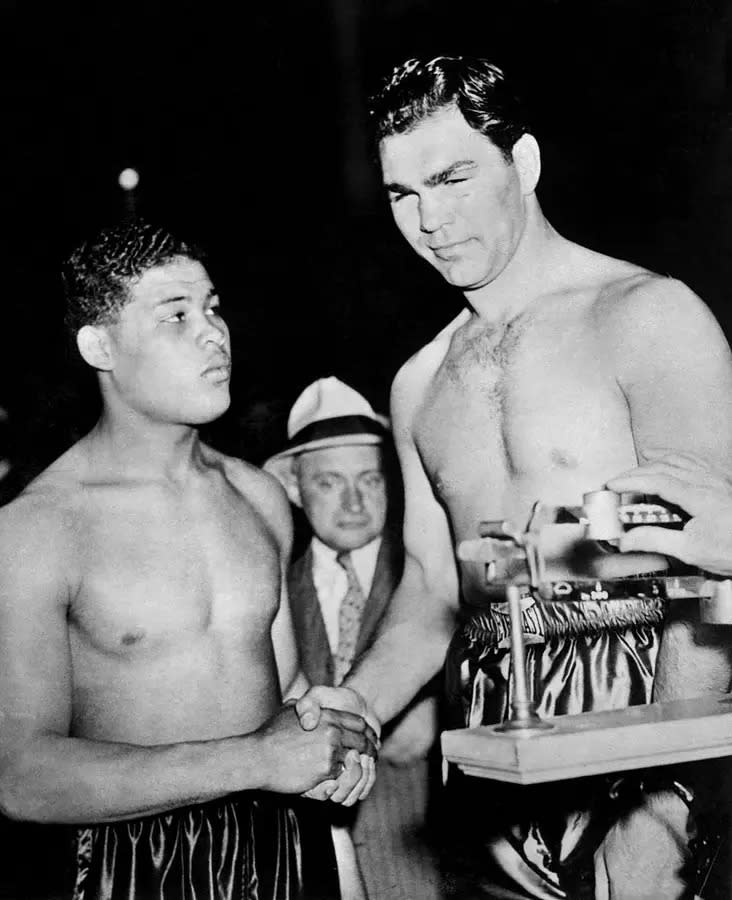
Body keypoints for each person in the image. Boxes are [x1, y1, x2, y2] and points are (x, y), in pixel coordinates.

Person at [295, 56, 732, 898]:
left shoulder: (646, 315)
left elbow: (714, 569)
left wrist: (663, 798)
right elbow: (432, 587)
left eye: (454, 177)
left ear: (523, 164)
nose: (431, 219)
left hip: (651, 706)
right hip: (496, 728)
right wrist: (359, 706)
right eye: (403, 193)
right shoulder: (418, 382)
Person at [0, 219, 377, 900]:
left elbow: (283, 698)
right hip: (132, 863)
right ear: (100, 345)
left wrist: (329, 734)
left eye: (212, 307)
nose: (213, 332)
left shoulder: (258, 495)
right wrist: (255, 760)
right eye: (175, 315)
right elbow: (19, 778)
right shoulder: (39, 528)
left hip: (281, 847)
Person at [265, 376, 442, 900]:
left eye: (371, 480)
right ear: (294, 489)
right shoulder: (268, 591)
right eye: (328, 482)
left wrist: (439, 707)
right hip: (307, 843)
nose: (353, 502)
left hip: (413, 827)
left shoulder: (428, 582)